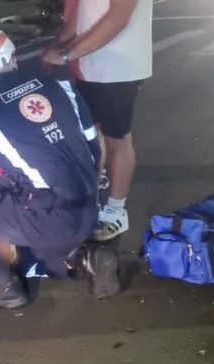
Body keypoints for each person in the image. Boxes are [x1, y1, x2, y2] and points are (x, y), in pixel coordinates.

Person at [0, 29, 120, 308]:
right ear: (13, 59)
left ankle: (2, 285)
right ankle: (87, 258)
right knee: (41, 243)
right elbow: (94, 146)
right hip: (86, 206)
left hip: (48, 217)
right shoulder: (61, 86)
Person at [41, 0, 152, 241]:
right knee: (92, 136)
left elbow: (118, 18)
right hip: (90, 64)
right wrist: (62, 42)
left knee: (117, 139)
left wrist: (67, 53)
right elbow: (83, 10)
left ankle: (116, 211)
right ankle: (89, 202)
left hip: (118, 68)